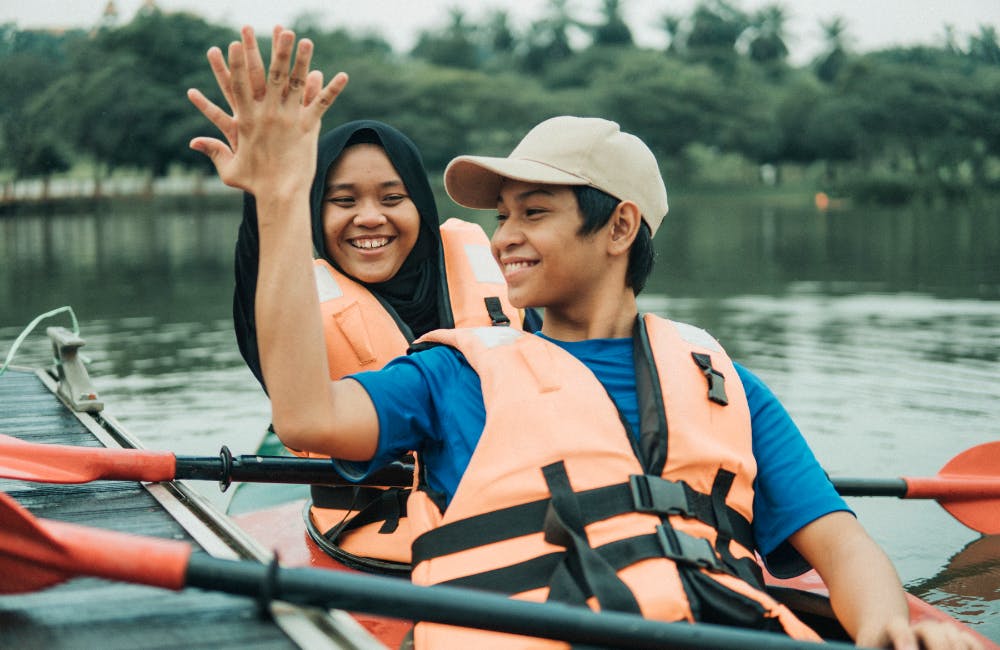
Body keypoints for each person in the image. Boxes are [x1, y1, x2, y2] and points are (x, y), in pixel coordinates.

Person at [188, 26, 980, 650]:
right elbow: (303, 416)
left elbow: (841, 547)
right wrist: (281, 200)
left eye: (534, 213)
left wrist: (886, 623)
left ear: (619, 226)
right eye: (502, 218)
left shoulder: (723, 384)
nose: (503, 240)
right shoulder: (455, 373)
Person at [217, 37, 533, 573]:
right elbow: (260, 283)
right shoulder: (292, 309)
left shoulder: (497, 273)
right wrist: (268, 193)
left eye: (392, 198)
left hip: (512, 536)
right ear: (314, 212)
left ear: (422, 206)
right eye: (343, 201)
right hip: (373, 553)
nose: (369, 218)